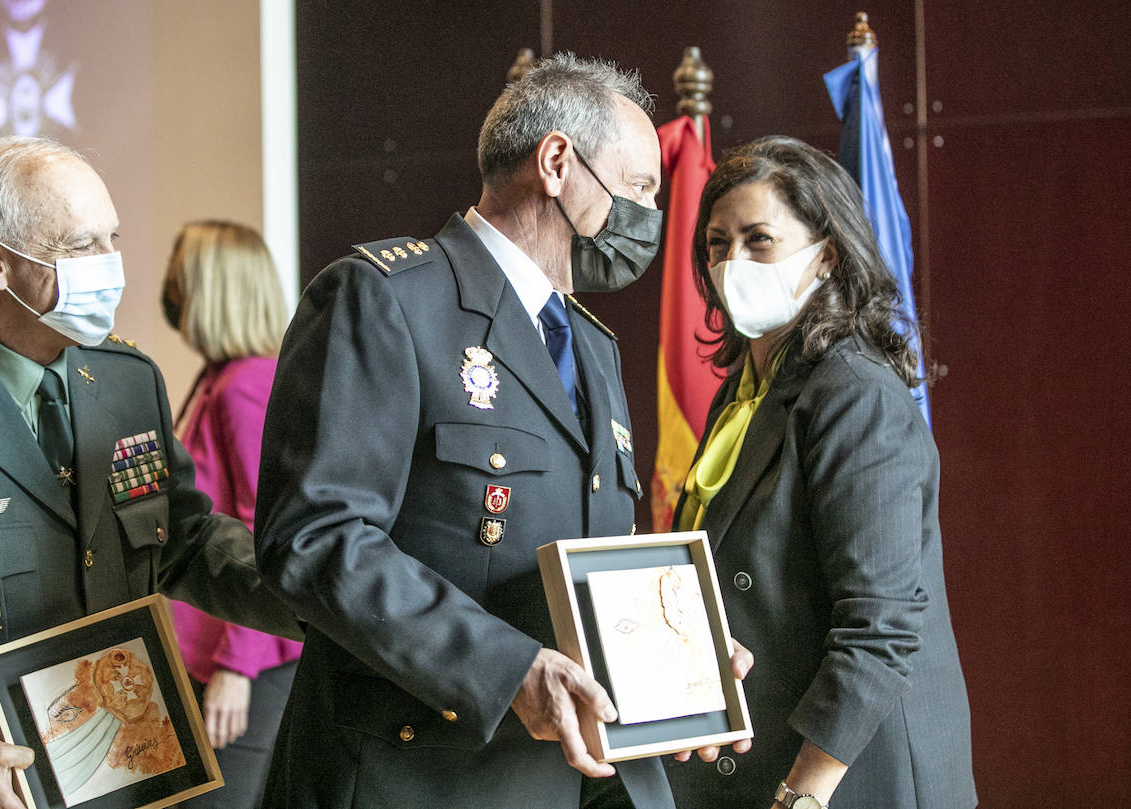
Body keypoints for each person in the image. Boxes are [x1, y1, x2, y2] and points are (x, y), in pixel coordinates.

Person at [253, 53, 752, 809]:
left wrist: (683, 653)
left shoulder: (590, 343)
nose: (651, 216)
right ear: (557, 161)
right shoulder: (385, 299)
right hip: (422, 778)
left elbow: (590, 560)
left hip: (574, 775)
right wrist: (507, 669)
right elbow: (317, 537)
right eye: (642, 186)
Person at [0, 136, 301, 809]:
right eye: (81, 245)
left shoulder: (128, 382)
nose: (112, 265)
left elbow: (182, 539)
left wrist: (321, 594)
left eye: (114, 238)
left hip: (123, 772)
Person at [663, 136, 976, 809]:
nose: (731, 262)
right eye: (717, 243)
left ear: (827, 254)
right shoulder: (746, 386)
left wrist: (801, 797)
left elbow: (881, 626)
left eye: (759, 240)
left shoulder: (854, 390)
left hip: (849, 774)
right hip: (757, 751)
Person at [159, 220, 303, 809]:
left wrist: (235, 669)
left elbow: (261, 533)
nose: (170, 293)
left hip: (248, 658)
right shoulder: (221, 378)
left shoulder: (248, 384)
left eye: (181, 278)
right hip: (212, 649)